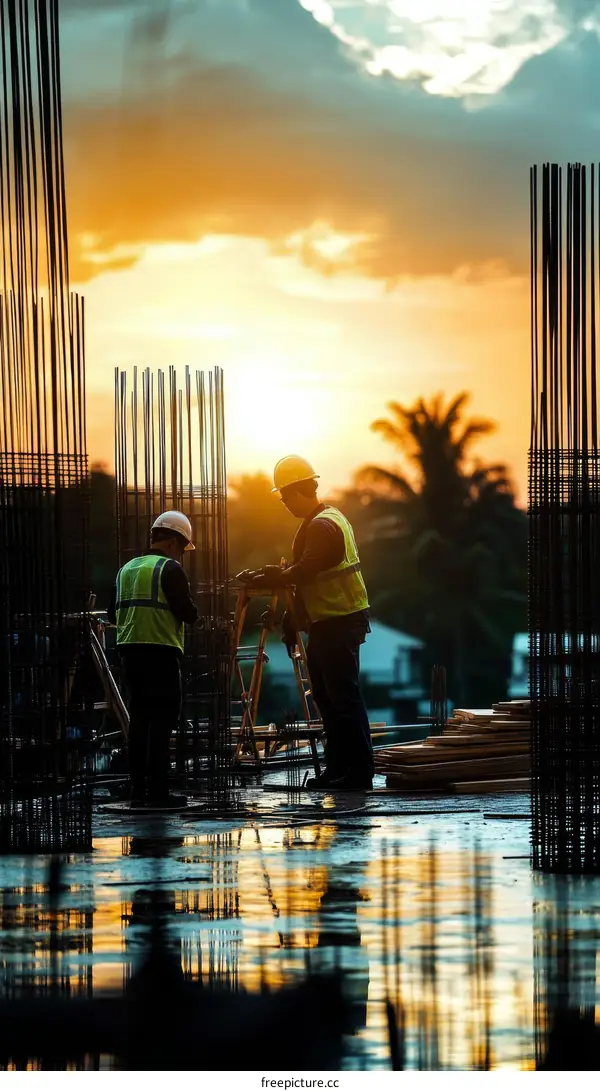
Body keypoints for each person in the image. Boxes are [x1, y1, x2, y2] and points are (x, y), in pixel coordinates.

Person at [239, 456, 374, 790]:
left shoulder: (321, 526)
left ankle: (357, 773)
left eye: (284, 497)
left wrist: (275, 576)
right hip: (327, 622)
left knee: (342, 699)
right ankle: (339, 770)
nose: (284, 503)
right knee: (328, 699)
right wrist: (290, 618)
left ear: (298, 491)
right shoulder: (325, 520)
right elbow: (306, 580)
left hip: (339, 622)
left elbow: (306, 570)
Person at [107, 511, 198, 807]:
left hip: (129, 652)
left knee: (140, 720)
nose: (182, 555)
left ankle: (138, 789)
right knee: (162, 720)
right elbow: (187, 612)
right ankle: (158, 791)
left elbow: (112, 614)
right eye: (183, 548)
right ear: (173, 542)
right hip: (160, 651)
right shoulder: (169, 568)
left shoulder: (126, 569)